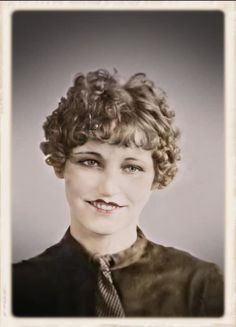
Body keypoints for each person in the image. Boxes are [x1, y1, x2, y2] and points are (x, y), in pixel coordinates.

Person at [12, 69, 224, 317]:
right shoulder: (16, 287)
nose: (108, 188)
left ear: (156, 175)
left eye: (132, 167)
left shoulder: (202, 285)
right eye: (90, 162)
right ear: (62, 164)